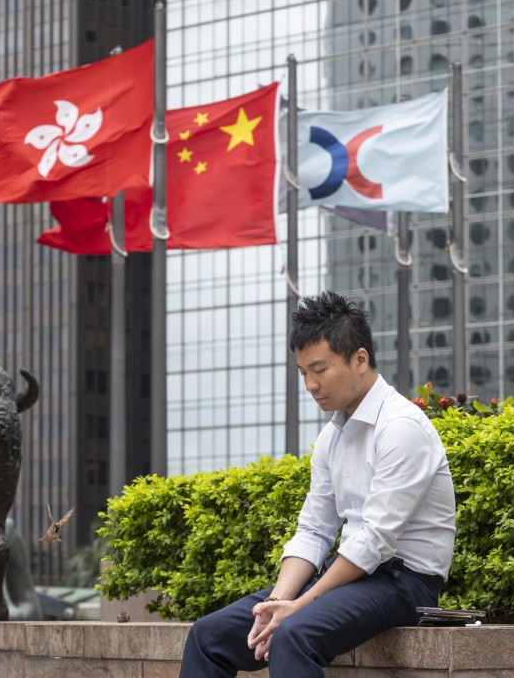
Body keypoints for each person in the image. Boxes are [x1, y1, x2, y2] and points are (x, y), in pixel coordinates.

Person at [180, 290, 456, 677]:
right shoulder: (333, 436)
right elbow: (313, 529)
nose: (310, 384)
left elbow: (375, 539)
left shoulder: (401, 428)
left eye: (320, 369)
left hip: (404, 581)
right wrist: (278, 601)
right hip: (345, 576)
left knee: (294, 633)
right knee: (208, 636)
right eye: (303, 372)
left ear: (359, 359)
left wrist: (300, 606)